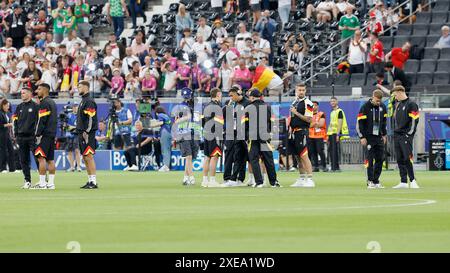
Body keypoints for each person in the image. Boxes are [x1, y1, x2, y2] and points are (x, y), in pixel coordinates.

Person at [243, 88, 280, 188]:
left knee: (254, 160)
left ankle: (259, 182)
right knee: (269, 160)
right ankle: (274, 182)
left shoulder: (248, 107)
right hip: (265, 136)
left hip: (253, 136)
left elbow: (244, 124)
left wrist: (246, 137)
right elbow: (272, 122)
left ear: (252, 97)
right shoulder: (267, 107)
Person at [356, 90, 387, 189]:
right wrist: (362, 137)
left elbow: (384, 123)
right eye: (377, 100)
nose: (378, 103)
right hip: (368, 138)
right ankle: (369, 181)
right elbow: (359, 124)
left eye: (380, 101)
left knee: (380, 159)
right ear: (373, 96)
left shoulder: (383, 107)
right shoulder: (365, 107)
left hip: (378, 137)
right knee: (369, 160)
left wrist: (384, 135)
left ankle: (376, 180)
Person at [391, 85, 420, 189]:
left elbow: (415, 120)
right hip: (397, 135)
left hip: (405, 135)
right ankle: (403, 181)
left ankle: (412, 180)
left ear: (400, 92)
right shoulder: (398, 105)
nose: (395, 97)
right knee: (399, 158)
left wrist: (409, 134)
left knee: (407, 158)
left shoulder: (411, 104)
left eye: (395, 95)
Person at [172, 87, 201, 186]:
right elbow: (175, 121)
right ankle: (192, 177)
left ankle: (185, 177)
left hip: (194, 132)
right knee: (188, 156)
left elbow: (198, 119)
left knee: (191, 156)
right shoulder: (180, 107)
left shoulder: (196, 105)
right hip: (183, 133)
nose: (187, 99)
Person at [289, 83, 315, 188]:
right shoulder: (294, 102)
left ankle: (310, 179)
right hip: (294, 132)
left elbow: (309, 119)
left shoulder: (308, 103)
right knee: (297, 157)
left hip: (302, 131)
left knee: (304, 155)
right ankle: (302, 178)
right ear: (296, 90)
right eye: (299, 90)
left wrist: (296, 113)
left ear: (305, 91)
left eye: (303, 90)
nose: (301, 92)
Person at [12, 88, 38, 189]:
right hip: (21, 137)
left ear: (30, 94)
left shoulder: (36, 106)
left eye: (24, 93)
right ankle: (27, 181)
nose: (22, 95)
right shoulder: (19, 107)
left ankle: (42, 180)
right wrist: (16, 134)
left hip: (32, 137)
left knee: (37, 158)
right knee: (23, 160)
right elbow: (15, 121)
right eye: (21, 93)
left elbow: (39, 122)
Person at [33, 83, 57, 189]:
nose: (37, 91)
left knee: (41, 158)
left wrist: (37, 134)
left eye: (39, 89)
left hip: (44, 135)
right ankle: (51, 183)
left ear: (44, 90)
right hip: (51, 134)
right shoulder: (52, 102)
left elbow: (41, 121)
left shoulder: (44, 103)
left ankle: (42, 183)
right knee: (50, 159)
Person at [77, 81, 99, 189]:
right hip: (82, 133)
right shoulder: (83, 101)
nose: (78, 88)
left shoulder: (89, 101)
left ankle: (94, 182)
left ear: (86, 87)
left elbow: (91, 118)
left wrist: (87, 131)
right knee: (85, 157)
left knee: (89, 157)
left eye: (79, 86)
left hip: (87, 134)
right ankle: (90, 180)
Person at [201, 88, 223, 188]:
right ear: (218, 94)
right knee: (215, 156)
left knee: (207, 157)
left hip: (206, 133)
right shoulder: (217, 107)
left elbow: (202, 121)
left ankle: (204, 180)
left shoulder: (206, 106)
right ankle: (212, 180)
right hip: (215, 134)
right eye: (221, 94)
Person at [327, 97, 349, 172]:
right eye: (331, 101)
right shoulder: (332, 112)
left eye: (333, 101)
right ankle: (334, 166)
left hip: (335, 134)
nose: (332, 102)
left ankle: (335, 167)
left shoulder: (339, 111)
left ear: (337, 102)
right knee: (331, 150)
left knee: (335, 151)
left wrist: (337, 134)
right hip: (331, 133)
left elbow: (340, 123)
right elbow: (331, 124)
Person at [308, 101, 327, 172]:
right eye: (313, 105)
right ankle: (315, 166)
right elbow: (308, 125)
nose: (314, 107)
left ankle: (324, 166)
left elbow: (321, 124)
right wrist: (315, 123)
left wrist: (313, 124)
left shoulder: (321, 114)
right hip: (311, 135)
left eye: (316, 105)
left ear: (318, 106)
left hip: (319, 136)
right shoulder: (309, 115)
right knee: (313, 152)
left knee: (320, 151)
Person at [153, 106, 172, 172]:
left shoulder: (160, 115)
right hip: (169, 132)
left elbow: (161, 122)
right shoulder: (166, 116)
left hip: (164, 132)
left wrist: (151, 125)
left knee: (164, 150)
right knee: (167, 150)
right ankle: (166, 166)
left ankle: (166, 166)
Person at [65, 103, 82, 172]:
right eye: (74, 107)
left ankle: (78, 166)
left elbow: (81, 126)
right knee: (70, 151)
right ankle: (72, 166)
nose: (75, 108)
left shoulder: (80, 116)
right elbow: (65, 125)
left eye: (76, 107)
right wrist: (67, 127)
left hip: (76, 134)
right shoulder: (69, 115)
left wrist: (74, 127)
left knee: (77, 150)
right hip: (69, 135)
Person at [0, 98, 15, 173]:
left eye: (8, 106)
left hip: (7, 134)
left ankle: (12, 169)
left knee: (11, 150)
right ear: (2, 105)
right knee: (3, 151)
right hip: (1, 135)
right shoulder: (0, 113)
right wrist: (8, 124)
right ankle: (3, 168)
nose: (8, 107)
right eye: (6, 106)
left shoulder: (6, 113)